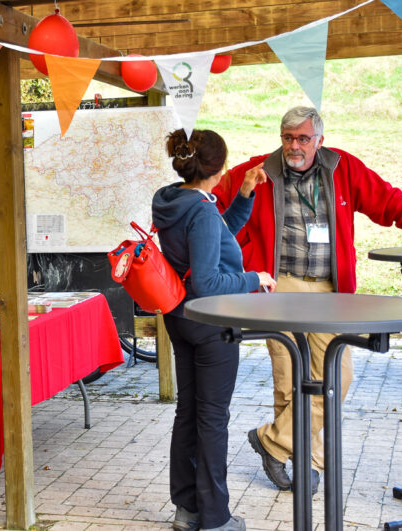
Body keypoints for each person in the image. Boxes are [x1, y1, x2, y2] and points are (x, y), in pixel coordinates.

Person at [213, 105, 402, 494]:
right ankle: (308, 463)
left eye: (303, 139)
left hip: (329, 289)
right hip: (278, 287)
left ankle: (273, 442)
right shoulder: (256, 170)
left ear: (319, 140)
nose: (294, 146)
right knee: (288, 378)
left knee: (336, 376)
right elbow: (211, 210)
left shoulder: (343, 168)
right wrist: (240, 251)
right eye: (288, 138)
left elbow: (389, 201)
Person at [152, 129, 276, 531]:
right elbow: (207, 282)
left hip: (179, 317)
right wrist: (255, 277)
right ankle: (216, 518)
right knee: (211, 418)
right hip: (211, 323)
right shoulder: (202, 210)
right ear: (218, 169)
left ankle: (187, 510)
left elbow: (215, 236)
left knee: (188, 412)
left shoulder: (171, 199)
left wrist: (245, 194)